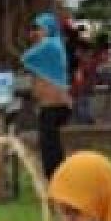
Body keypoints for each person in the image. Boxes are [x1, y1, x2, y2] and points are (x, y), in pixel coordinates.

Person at [23, 13, 73, 179]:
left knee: (49, 144)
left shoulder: (51, 46)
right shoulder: (52, 45)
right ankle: (56, 175)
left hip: (54, 104)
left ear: (49, 29)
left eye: (39, 29)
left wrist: (36, 39)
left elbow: (27, 58)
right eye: (34, 29)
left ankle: (55, 176)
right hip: (49, 104)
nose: (36, 33)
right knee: (49, 143)